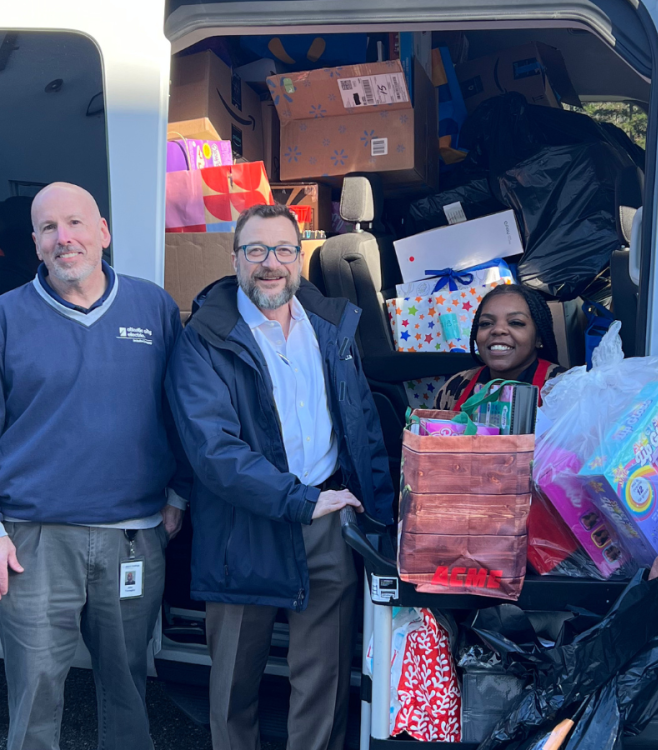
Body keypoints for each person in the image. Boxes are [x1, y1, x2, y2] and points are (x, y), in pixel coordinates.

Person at [165, 202, 394, 750]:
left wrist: (382, 516)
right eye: (256, 250)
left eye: (284, 250)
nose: (271, 263)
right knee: (234, 684)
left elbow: (362, 425)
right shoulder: (205, 338)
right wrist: (299, 501)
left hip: (329, 518)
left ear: (300, 258)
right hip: (243, 525)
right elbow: (214, 452)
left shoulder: (331, 326)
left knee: (324, 680)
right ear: (235, 259)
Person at [0, 182, 191, 750]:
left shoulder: (154, 307)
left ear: (103, 232)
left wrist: (178, 495)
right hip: (33, 540)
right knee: (34, 691)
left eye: (76, 223)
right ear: (35, 243)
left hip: (133, 536)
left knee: (128, 688)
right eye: (49, 228)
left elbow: (182, 410)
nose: (64, 238)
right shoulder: (7, 316)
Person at [435, 283, 565, 411]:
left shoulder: (563, 387)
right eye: (486, 323)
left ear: (538, 337)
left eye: (515, 322)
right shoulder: (456, 386)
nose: (498, 330)